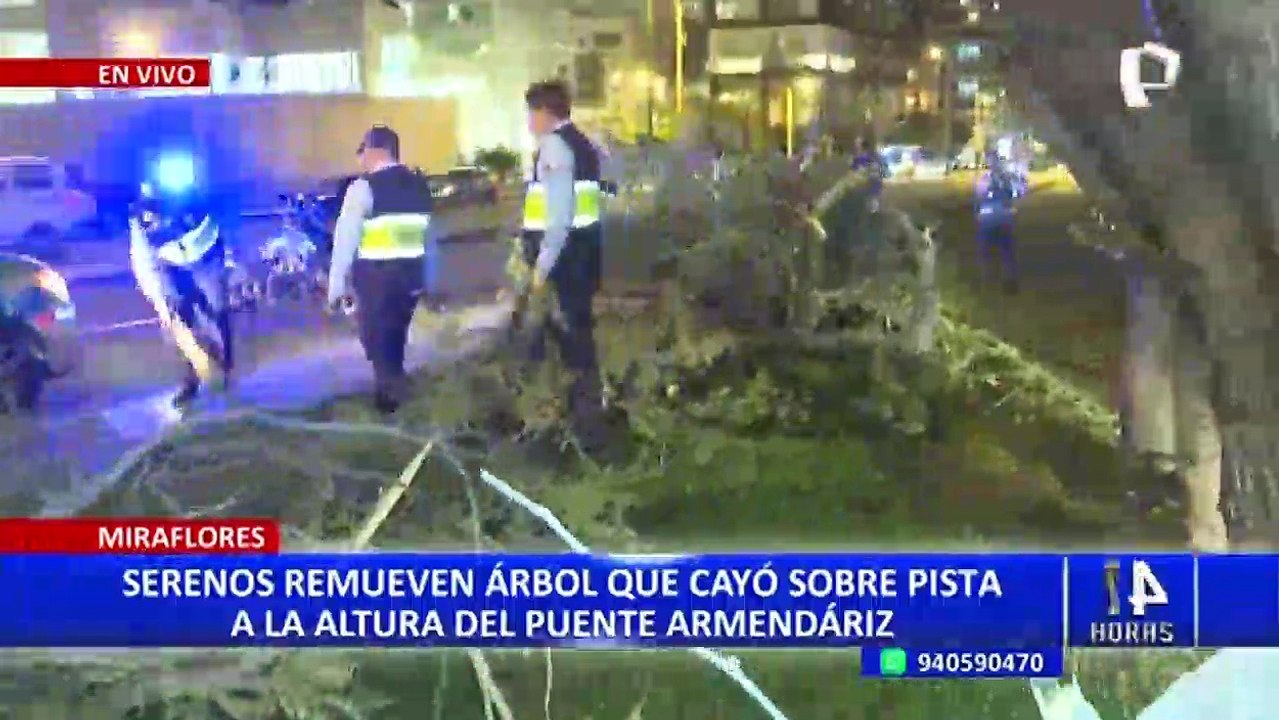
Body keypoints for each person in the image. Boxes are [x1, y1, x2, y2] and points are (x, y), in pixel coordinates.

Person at [517, 80, 607, 445]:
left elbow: (558, 216)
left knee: (566, 337)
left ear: (544, 113)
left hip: (563, 261)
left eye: (530, 114)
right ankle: (584, 410)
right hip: (584, 255)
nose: (528, 122)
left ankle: (577, 418)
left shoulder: (554, 147)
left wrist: (541, 268)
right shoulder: (583, 144)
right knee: (578, 334)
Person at [327, 125, 433, 413]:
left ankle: (391, 407)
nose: (360, 159)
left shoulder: (363, 188)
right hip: (411, 279)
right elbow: (429, 236)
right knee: (394, 340)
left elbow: (345, 239)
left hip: (377, 281)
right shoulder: (419, 185)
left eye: (362, 151)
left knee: (377, 343)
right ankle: (395, 390)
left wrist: (336, 286)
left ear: (374, 151)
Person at [127, 161, 234, 407]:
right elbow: (142, 255)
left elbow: (218, 233)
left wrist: (228, 262)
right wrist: (157, 294)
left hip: (205, 263)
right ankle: (191, 379)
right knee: (177, 325)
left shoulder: (196, 203)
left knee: (217, 312)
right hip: (170, 269)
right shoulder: (140, 213)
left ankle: (225, 366)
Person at [973, 151, 1021, 292]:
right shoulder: (988, 179)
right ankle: (992, 279)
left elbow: (1015, 192)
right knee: (993, 251)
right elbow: (979, 197)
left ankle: (1004, 280)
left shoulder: (1003, 179)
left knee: (1001, 251)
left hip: (998, 218)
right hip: (993, 219)